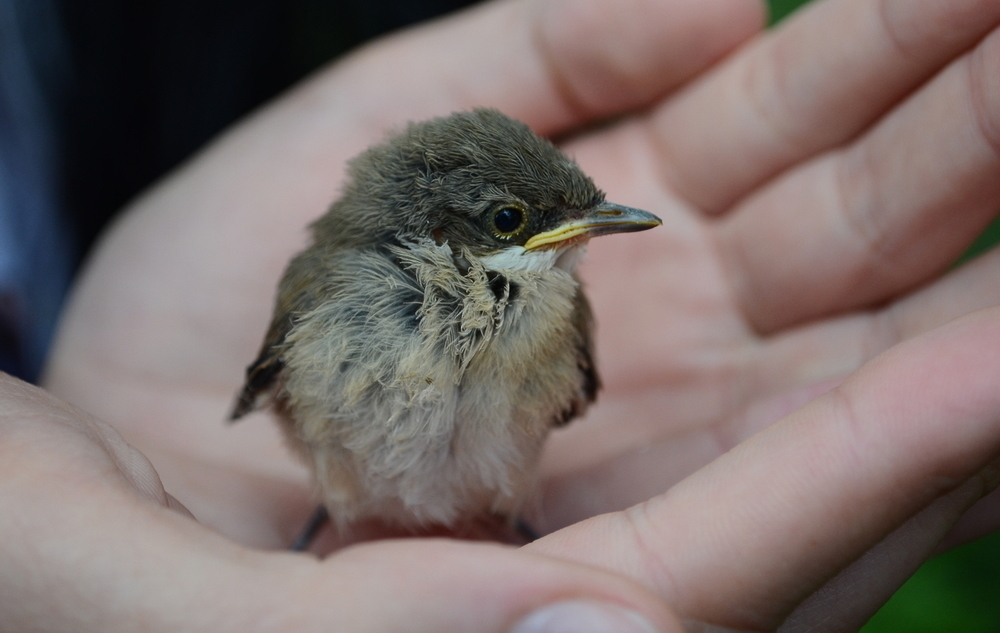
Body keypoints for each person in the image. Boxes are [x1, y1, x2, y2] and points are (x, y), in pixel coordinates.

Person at [2, 0, 999, 630]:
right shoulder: (331, 292)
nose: (571, 237)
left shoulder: (556, 318)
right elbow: (274, 386)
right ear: (437, 236)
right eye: (519, 223)